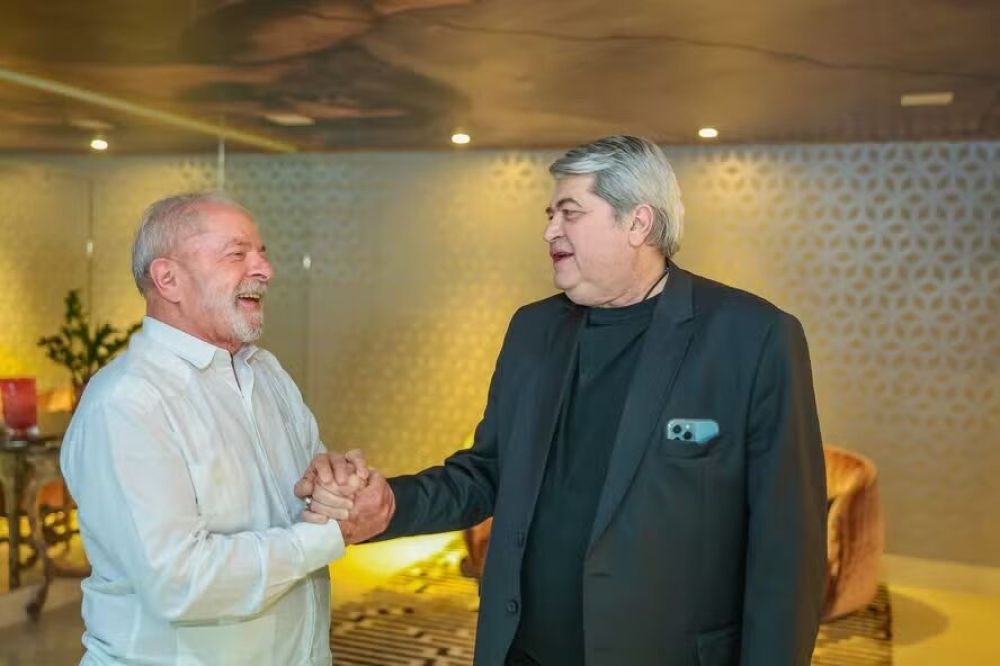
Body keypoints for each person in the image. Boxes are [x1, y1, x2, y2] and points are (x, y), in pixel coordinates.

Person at [300, 136, 827, 665]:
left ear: (637, 223)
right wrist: (389, 505)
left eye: (570, 213)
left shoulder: (751, 337)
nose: (550, 230)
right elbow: (488, 473)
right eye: (551, 214)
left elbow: (787, 547)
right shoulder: (533, 329)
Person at [61, 193, 355, 665]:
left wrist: (337, 484)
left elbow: (313, 484)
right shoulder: (128, 403)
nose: (264, 270)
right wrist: (328, 534)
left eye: (262, 254)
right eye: (237, 254)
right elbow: (180, 582)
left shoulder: (266, 373)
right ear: (168, 279)